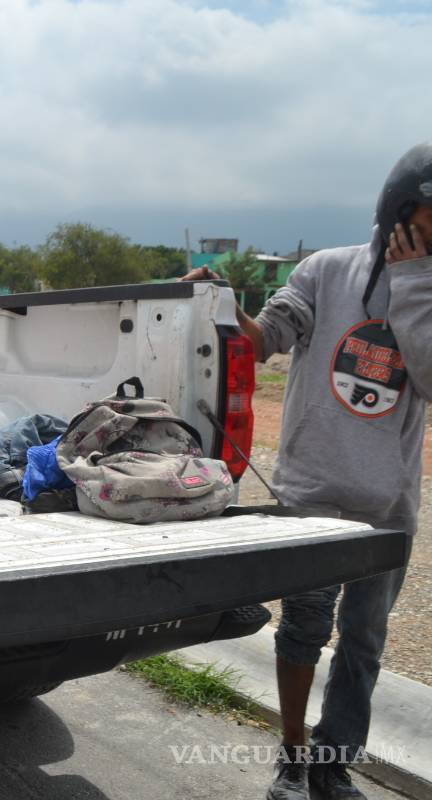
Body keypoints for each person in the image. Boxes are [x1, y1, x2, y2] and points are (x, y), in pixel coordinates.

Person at [184, 142, 432, 800]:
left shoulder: (430, 288)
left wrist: (411, 286)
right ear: (404, 207)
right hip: (313, 497)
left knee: (364, 643)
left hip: (387, 506)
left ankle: (332, 759)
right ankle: (292, 758)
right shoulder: (326, 271)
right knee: (303, 628)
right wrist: (219, 302)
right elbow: (265, 338)